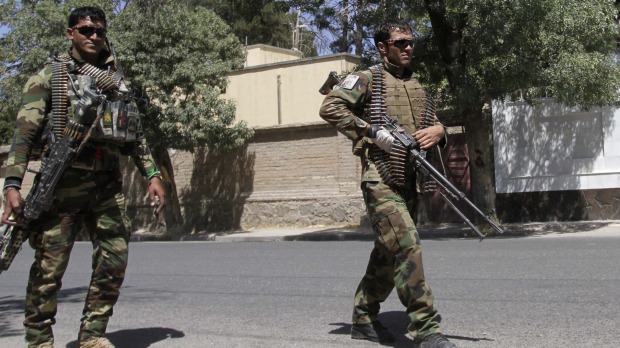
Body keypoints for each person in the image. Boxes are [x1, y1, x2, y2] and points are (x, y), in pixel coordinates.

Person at [1, 7, 166, 348]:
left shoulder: (115, 83)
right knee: (49, 272)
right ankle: (39, 341)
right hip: (61, 187)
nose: (93, 36)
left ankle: (92, 335)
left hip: (106, 186)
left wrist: (151, 174)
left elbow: (134, 133)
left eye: (99, 32)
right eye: (86, 30)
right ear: (70, 33)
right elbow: (23, 136)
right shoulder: (48, 77)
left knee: (114, 259)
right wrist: (13, 184)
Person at [319, 19, 456, 348]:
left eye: (411, 42)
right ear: (383, 47)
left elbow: (429, 123)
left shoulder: (418, 84)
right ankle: (425, 327)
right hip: (380, 177)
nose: (408, 48)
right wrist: (370, 132)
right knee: (407, 246)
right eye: (400, 43)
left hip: (410, 179)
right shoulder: (367, 78)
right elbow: (330, 106)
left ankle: (364, 315)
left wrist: (441, 132)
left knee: (387, 251)